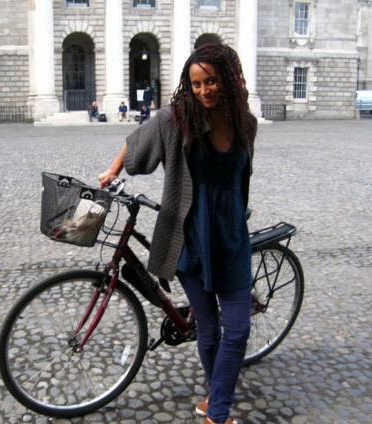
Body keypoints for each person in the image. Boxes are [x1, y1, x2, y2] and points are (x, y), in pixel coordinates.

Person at [99, 43, 257, 424]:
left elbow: (243, 177)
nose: (204, 90)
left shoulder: (245, 123)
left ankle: (214, 405)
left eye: (211, 81)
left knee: (238, 329)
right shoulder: (177, 119)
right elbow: (137, 141)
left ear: (228, 79)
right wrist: (113, 170)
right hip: (188, 238)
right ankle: (216, 410)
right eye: (196, 83)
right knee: (208, 330)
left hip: (231, 238)